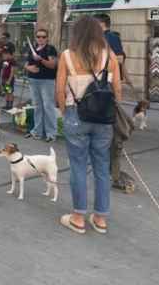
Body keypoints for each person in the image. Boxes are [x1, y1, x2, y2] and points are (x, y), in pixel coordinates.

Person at [56, 16, 122, 235]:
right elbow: (118, 90)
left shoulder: (67, 55)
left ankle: (78, 217)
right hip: (104, 118)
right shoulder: (109, 56)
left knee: (78, 166)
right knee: (102, 166)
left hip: (77, 114)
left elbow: (59, 90)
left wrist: (66, 112)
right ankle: (100, 218)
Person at [94, 14, 133, 191]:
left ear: (101, 24)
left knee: (113, 131)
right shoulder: (97, 39)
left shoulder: (110, 37)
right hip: (102, 87)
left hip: (107, 86)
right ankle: (110, 170)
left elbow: (119, 59)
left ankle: (113, 173)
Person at [24, 28, 58, 142]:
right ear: (36, 38)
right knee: (37, 106)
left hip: (47, 81)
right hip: (33, 80)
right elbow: (26, 64)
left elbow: (52, 65)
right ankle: (37, 132)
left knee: (48, 106)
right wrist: (29, 68)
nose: (41, 39)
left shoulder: (50, 49)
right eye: (38, 37)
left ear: (47, 38)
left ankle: (51, 134)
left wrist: (41, 60)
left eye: (43, 37)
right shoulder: (32, 48)